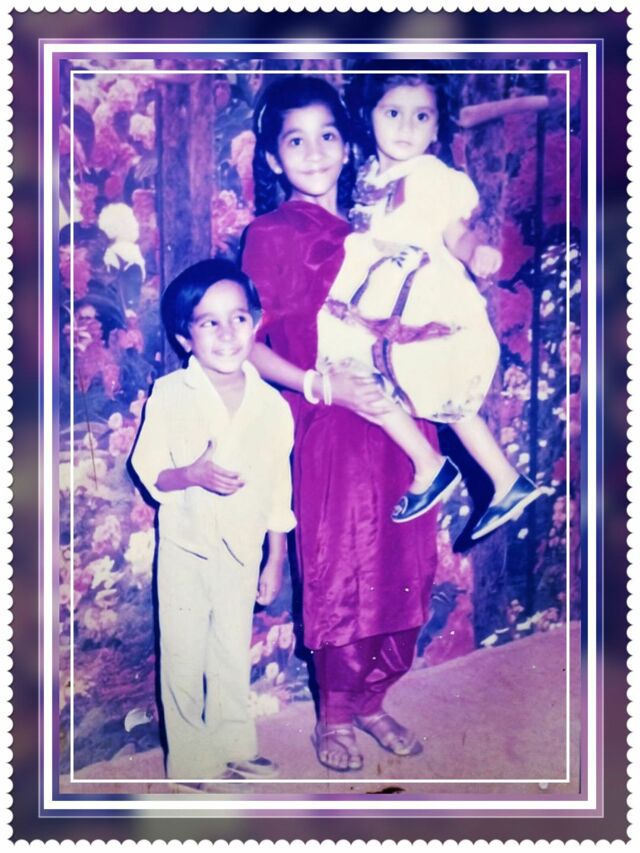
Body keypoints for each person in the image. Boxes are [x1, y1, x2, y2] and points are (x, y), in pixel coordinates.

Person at [242, 75, 438, 773]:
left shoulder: (381, 219)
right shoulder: (270, 234)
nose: (316, 151)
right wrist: (317, 384)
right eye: (296, 141)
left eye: (327, 135)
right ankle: (337, 712)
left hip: (402, 416)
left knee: (408, 563)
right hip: (330, 424)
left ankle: (376, 698)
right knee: (344, 567)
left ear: (349, 144)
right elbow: (249, 343)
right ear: (274, 158)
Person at [316, 73, 551, 539]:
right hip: (377, 296)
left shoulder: (432, 176)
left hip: (418, 296)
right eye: (393, 113)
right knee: (358, 370)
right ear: (368, 115)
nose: (406, 127)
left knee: (436, 385)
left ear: (436, 127)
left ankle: (462, 472)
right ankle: (484, 476)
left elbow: (456, 232)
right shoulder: (369, 174)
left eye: (421, 116)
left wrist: (475, 251)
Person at [130, 258, 296, 781]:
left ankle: (234, 744)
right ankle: (190, 760)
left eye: (238, 318)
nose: (227, 334)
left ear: (256, 322)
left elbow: (279, 488)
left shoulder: (272, 406)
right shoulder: (171, 395)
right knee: (183, 653)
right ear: (186, 338)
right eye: (209, 322)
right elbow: (149, 472)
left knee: (230, 649)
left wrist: (276, 558)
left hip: (243, 550)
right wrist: (192, 474)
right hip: (187, 547)